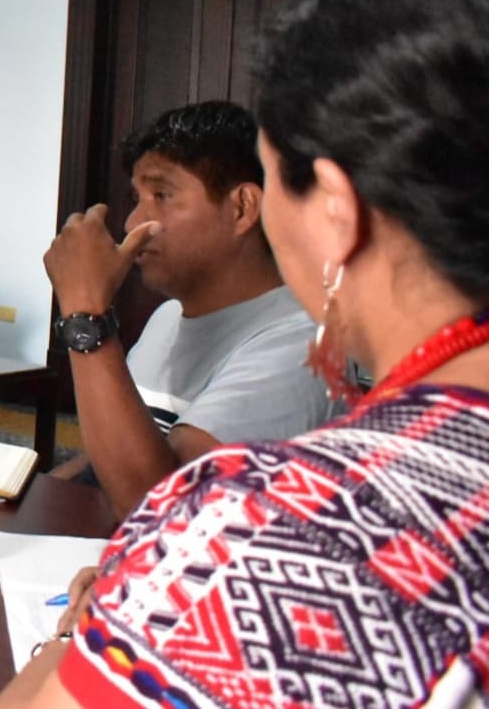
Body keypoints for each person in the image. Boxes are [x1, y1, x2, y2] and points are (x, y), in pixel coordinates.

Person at [0, 0, 489, 708]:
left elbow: (152, 499)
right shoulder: (169, 322)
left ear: (332, 208)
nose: (137, 222)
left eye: (279, 186)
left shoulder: (265, 525)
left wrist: (87, 624)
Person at [42, 101, 331, 518]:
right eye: (136, 199)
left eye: (161, 195)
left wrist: (85, 315)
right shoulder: (166, 318)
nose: (134, 224)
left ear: (242, 208)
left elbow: (157, 509)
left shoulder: (298, 346)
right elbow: (105, 458)